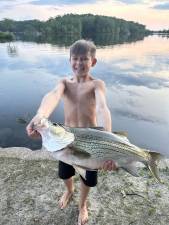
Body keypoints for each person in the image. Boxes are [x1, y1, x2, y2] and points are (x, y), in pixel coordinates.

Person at [26, 39, 117, 225]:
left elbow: (102, 108)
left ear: (93, 62)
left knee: (88, 179)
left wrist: (108, 140)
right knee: (65, 174)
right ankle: (69, 190)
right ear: (69, 61)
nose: (79, 63)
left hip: (91, 141)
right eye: (75, 58)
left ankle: (82, 204)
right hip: (66, 141)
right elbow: (52, 96)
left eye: (84, 59)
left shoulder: (97, 84)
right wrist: (40, 115)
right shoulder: (64, 83)